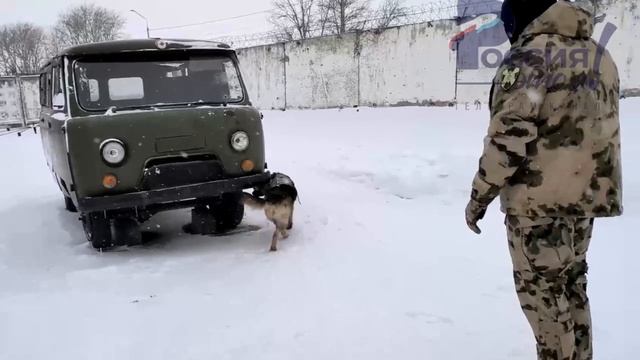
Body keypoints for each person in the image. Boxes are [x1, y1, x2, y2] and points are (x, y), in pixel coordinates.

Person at [464, 1, 623, 359]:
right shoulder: (601, 58)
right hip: (585, 201)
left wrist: (478, 197)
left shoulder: (529, 58)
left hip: (538, 207)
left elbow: (507, 139)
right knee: (573, 285)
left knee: (546, 305)